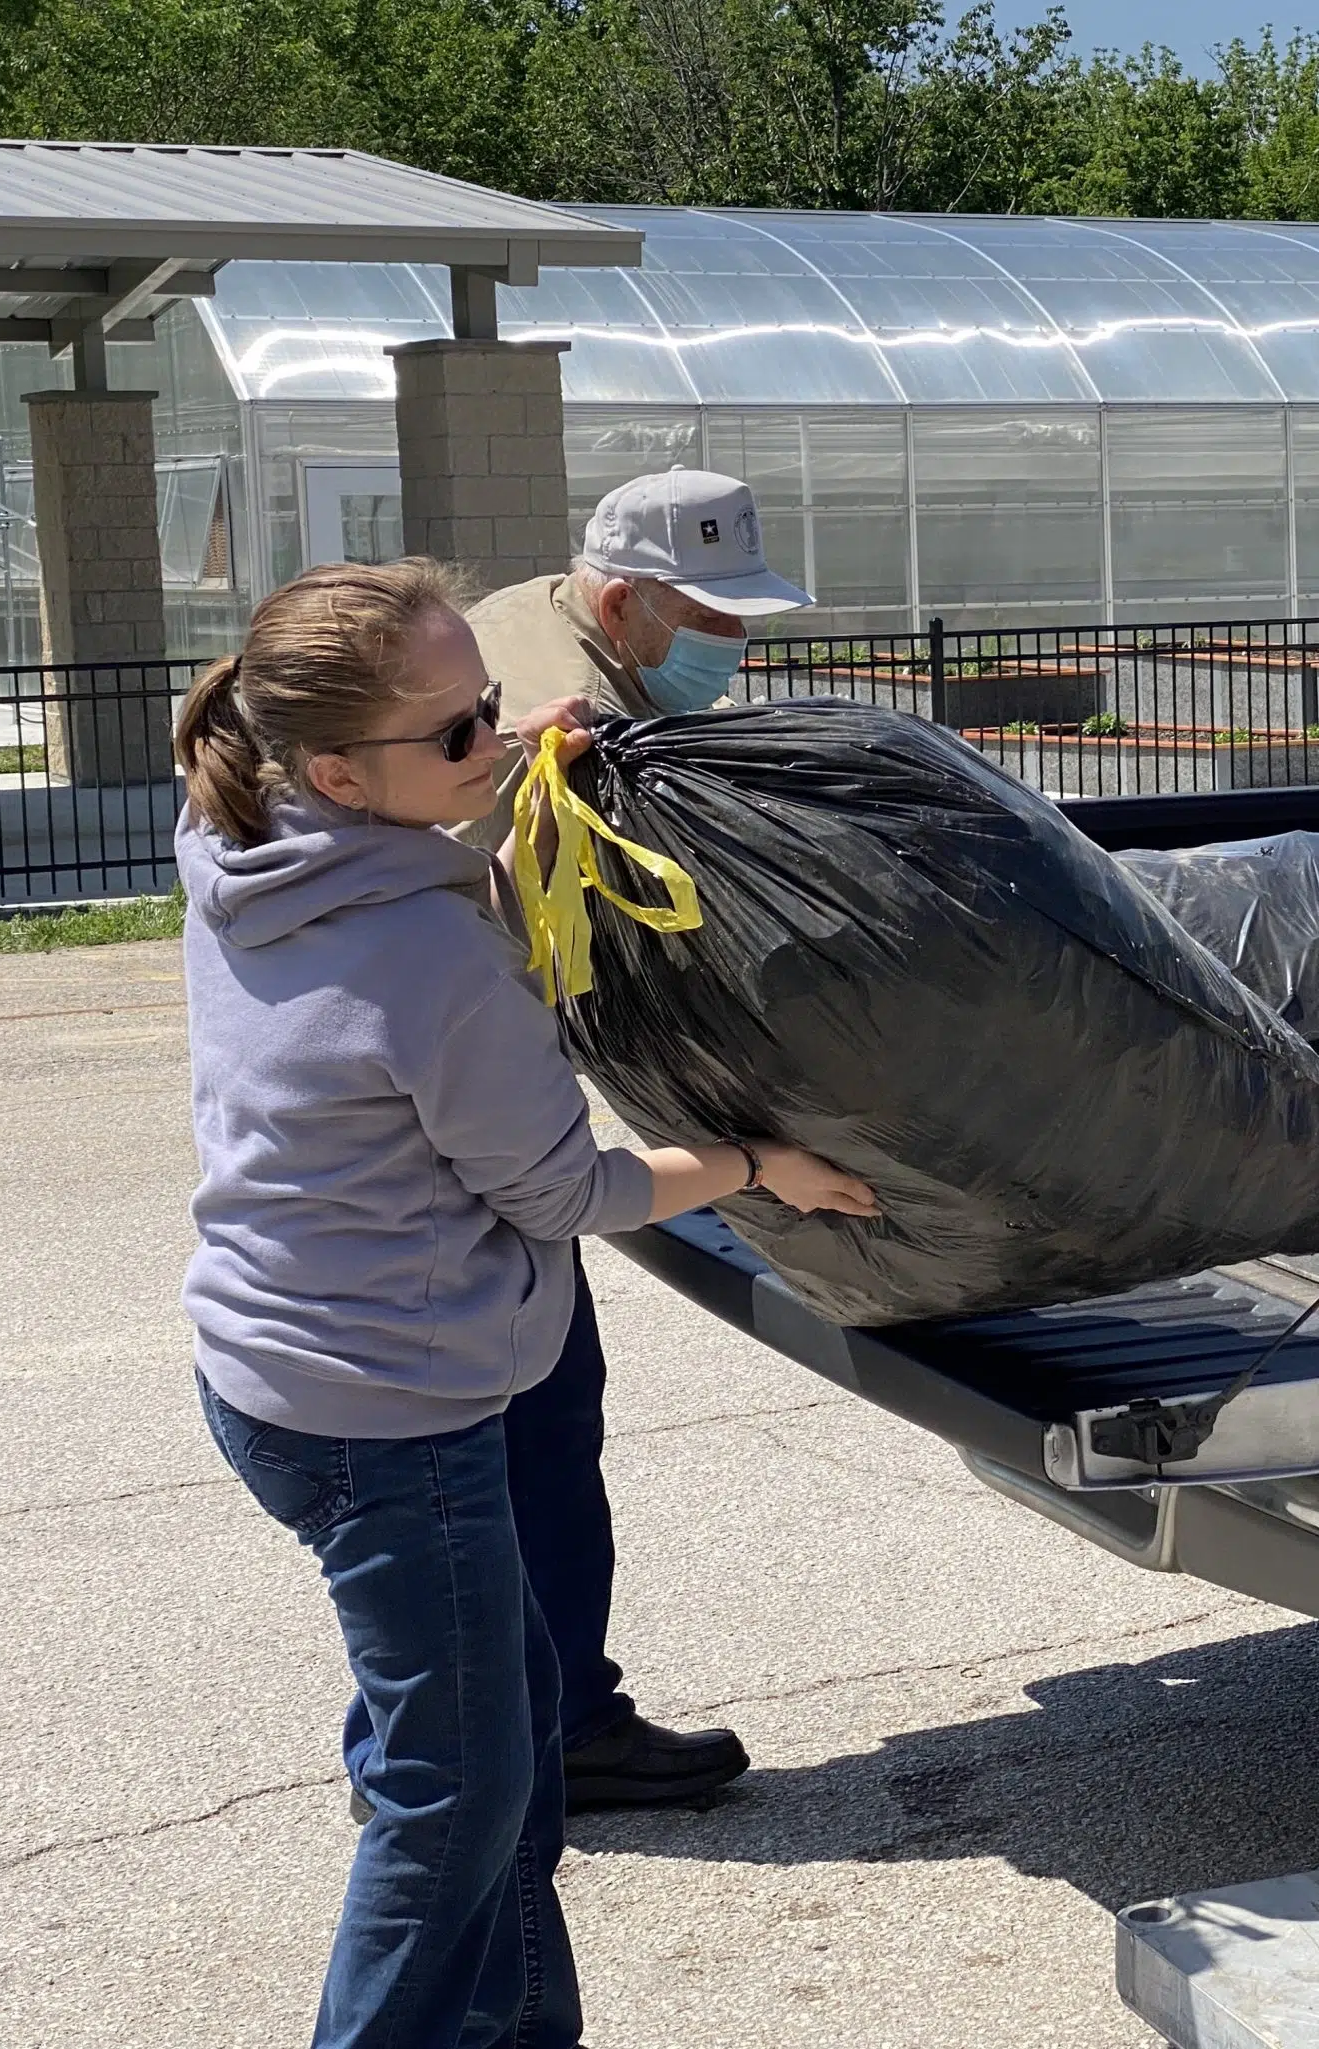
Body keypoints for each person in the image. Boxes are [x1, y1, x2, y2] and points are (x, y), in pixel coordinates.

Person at [175, 557, 875, 2047]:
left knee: (476, 1750)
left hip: (268, 1365)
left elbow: (411, 850)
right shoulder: (426, 958)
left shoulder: (240, 836)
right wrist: (761, 1164)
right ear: (334, 771)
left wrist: (481, 771)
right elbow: (563, 1197)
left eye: (486, 706)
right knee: (462, 1799)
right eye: (454, 735)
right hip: (390, 1420)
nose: (487, 744)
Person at [460, 470, 812, 1810]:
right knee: (531, 1419)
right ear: (620, 601)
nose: (740, 643)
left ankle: (457, 1740)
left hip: (447, 1105)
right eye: (712, 615)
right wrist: (755, 1144)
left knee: (479, 1454)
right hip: (470, 1121)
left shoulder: (516, 625)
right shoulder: (586, 724)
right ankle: (548, 1736)